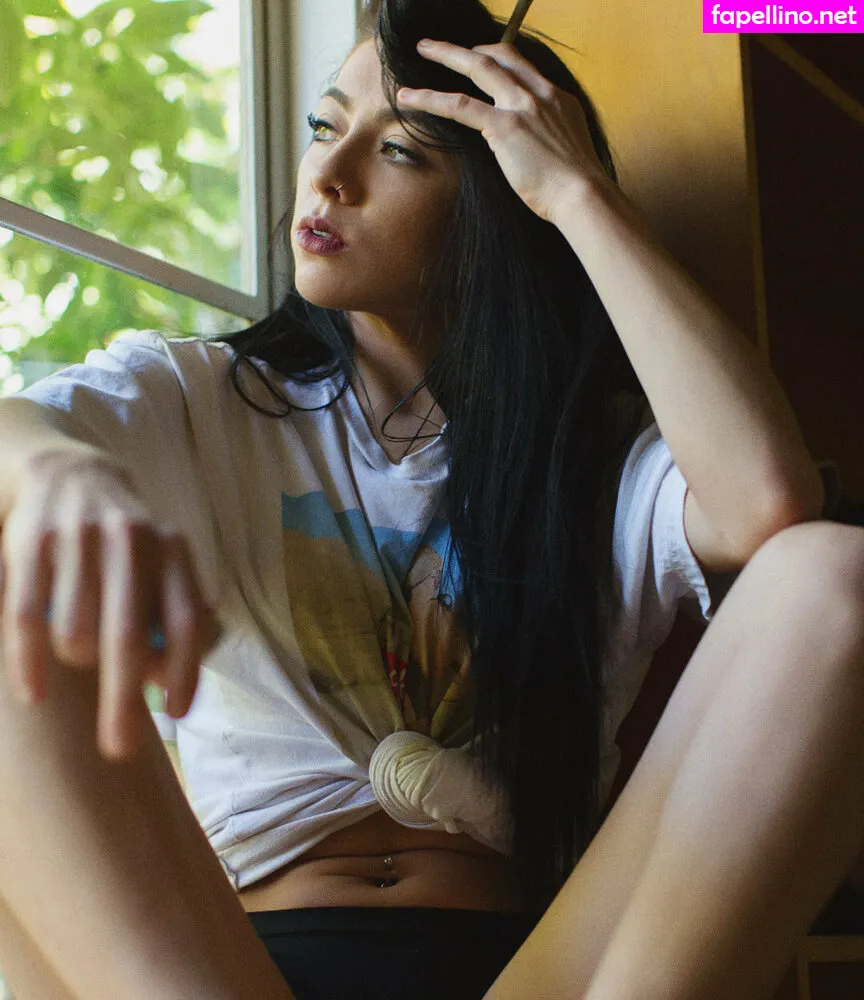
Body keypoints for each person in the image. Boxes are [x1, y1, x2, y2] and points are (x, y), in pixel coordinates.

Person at [0, 1, 863, 998]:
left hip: (555, 970)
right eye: (325, 127)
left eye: (401, 151)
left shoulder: (593, 455)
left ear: (500, 205)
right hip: (230, 970)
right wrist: (56, 473)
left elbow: (768, 503)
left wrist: (577, 193)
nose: (329, 174)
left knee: (832, 569)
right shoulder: (198, 399)